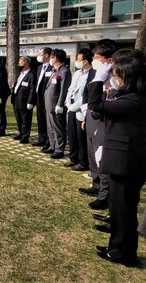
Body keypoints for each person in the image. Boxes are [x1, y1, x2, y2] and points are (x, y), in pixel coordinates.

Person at [88, 57, 146, 267]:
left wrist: (97, 79)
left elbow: (95, 104)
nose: (114, 79)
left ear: (127, 78)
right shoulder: (129, 96)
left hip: (126, 163)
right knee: (119, 208)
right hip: (122, 160)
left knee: (124, 211)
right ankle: (118, 248)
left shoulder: (134, 100)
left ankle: (122, 253)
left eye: (116, 75)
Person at [79, 40, 117, 210]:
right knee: (92, 154)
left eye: (97, 57)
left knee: (101, 158)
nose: (94, 59)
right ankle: (96, 184)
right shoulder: (97, 73)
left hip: (103, 121)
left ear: (109, 60)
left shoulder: (113, 78)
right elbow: (90, 95)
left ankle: (104, 194)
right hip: (92, 118)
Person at [64, 48, 94, 171]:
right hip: (70, 107)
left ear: (86, 61)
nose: (77, 61)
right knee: (71, 135)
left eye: (79, 59)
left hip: (81, 109)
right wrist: (67, 102)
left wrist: (74, 106)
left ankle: (83, 162)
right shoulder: (77, 73)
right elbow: (71, 88)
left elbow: (85, 95)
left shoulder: (92, 74)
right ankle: (73, 158)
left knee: (80, 136)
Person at [42, 48, 72, 159]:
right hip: (49, 103)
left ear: (57, 58)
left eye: (52, 57)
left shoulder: (64, 71)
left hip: (56, 104)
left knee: (58, 127)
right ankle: (52, 145)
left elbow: (64, 89)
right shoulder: (54, 70)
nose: (50, 59)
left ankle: (59, 149)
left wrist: (60, 104)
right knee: (50, 126)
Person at [11, 56, 36, 143]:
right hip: (17, 99)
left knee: (25, 119)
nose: (18, 64)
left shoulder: (31, 74)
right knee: (18, 118)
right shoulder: (21, 73)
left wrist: (30, 101)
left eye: (20, 62)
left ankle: (25, 136)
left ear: (26, 63)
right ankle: (21, 133)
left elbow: (32, 89)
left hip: (25, 101)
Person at [32, 48, 54, 147]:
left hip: (47, 96)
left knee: (47, 120)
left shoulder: (52, 67)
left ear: (46, 55)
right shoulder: (40, 67)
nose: (38, 55)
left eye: (40, 54)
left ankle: (49, 141)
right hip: (38, 96)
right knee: (40, 118)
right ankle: (41, 138)